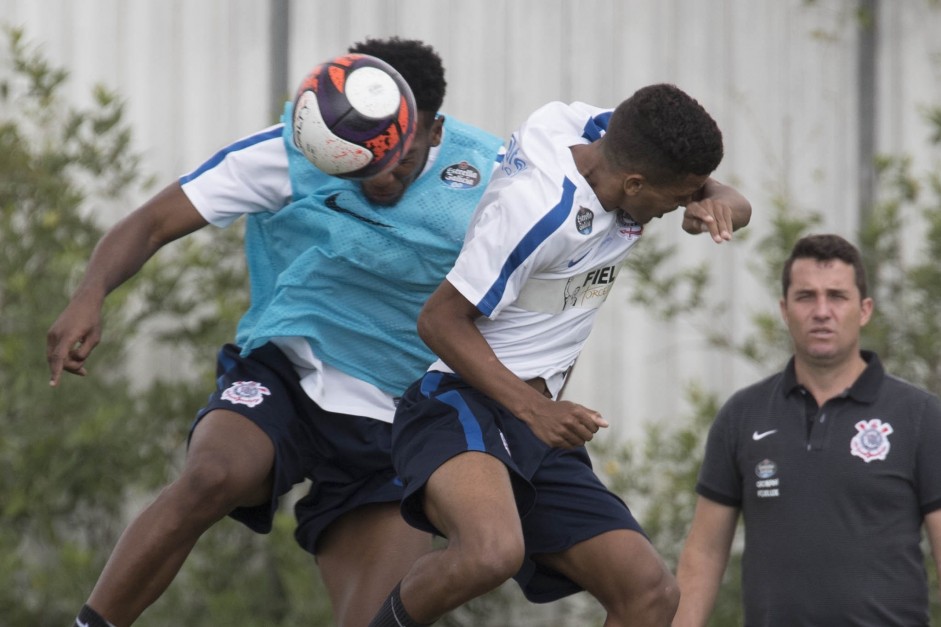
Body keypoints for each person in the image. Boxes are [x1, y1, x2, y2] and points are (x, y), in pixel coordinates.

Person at [46, 37, 506, 627]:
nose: (377, 179)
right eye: (357, 164)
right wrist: (90, 293)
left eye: (396, 162)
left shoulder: (493, 181)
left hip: (401, 418)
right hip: (288, 373)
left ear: (431, 130)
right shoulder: (295, 151)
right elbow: (155, 220)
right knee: (214, 474)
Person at [366, 84, 752, 627]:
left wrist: (719, 203)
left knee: (651, 596)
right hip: (460, 405)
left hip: (535, 430)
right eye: (677, 197)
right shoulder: (539, 213)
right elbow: (438, 320)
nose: (677, 208)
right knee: (491, 553)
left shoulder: (588, 133)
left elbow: (734, 200)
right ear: (635, 182)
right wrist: (535, 409)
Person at [673, 233, 941, 627]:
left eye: (837, 296)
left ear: (864, 309)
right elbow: (704, 555)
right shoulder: (742, 415)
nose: (821, 311)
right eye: (805, 297)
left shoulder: (920, 416)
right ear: (784, 309)